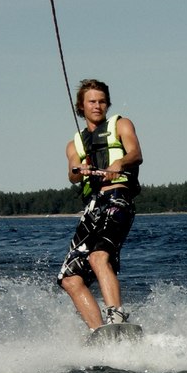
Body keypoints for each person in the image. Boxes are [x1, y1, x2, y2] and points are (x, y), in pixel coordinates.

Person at [57, 79, 143, 331]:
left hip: (118, 199)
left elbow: (136, 153)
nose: (97, 106)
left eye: (102, 101)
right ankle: (99, 332)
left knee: (98, 256)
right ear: (81, 107)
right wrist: (78, 169)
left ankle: (116, 318)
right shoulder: (75, 144)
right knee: (69, 278)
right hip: (93, 207)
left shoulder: (121, 124)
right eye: (92, 102)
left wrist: (120, 164)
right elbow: (72, 174)